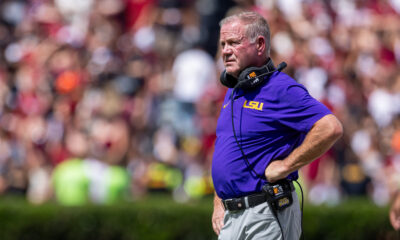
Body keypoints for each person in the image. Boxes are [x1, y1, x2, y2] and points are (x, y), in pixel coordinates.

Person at [211, 11, 343, 240]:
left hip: (265, 212)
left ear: (260, 44)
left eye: (233, 43)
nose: (225, 51)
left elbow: (330, 127)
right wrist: (218, 199)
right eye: (223, 44)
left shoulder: (281, 89)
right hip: (232, 217)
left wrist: (286, 166)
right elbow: (228, 151)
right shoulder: (233, 91)